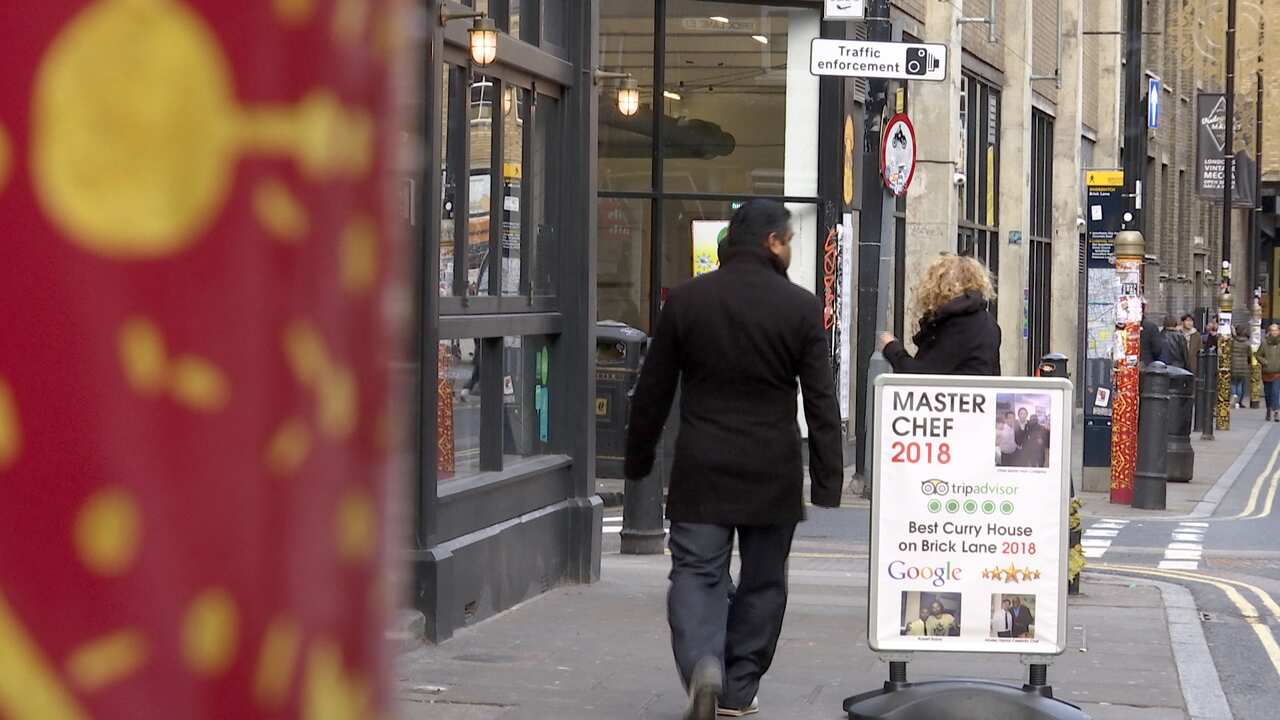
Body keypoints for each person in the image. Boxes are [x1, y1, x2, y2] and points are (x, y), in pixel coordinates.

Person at [625, 199, 843, 720]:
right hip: (772, 469)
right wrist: (827, 479)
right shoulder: (800, 308)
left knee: (696, 574)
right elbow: (821, 401)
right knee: (763, 583)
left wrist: (638, 458)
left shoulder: (687, 301)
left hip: (702, 465)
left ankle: (703, 662)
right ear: (772, 242)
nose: (790, 249)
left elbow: (653, 390)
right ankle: (738, 690)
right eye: (789, 240)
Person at [878, 255, 1001, 375]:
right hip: (978, 389)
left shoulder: (956, 324)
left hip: (953, 389)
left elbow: (921, 376)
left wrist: (892, 348)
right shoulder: (987, 322)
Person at [1260, 323, 1280, 422]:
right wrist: (1265, 362)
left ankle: (1276, 411)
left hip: (1277, 373)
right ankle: (1268, 409)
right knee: (1268, 393)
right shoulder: (1264, 343)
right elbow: (1258, 355)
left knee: (1275, 392)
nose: (1274, 332)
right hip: (1266, 372)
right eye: (1272, 330)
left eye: (1276, 330)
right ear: (1269, 332)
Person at [1231, 323, 1253, 408]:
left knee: (1233, 383)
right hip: (1243, 366)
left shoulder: (1233, 342)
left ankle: (1234, 398)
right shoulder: (1247, 343)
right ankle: (1238, 402)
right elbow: (1250, 355)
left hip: (1233, 365)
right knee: (1240, 384)